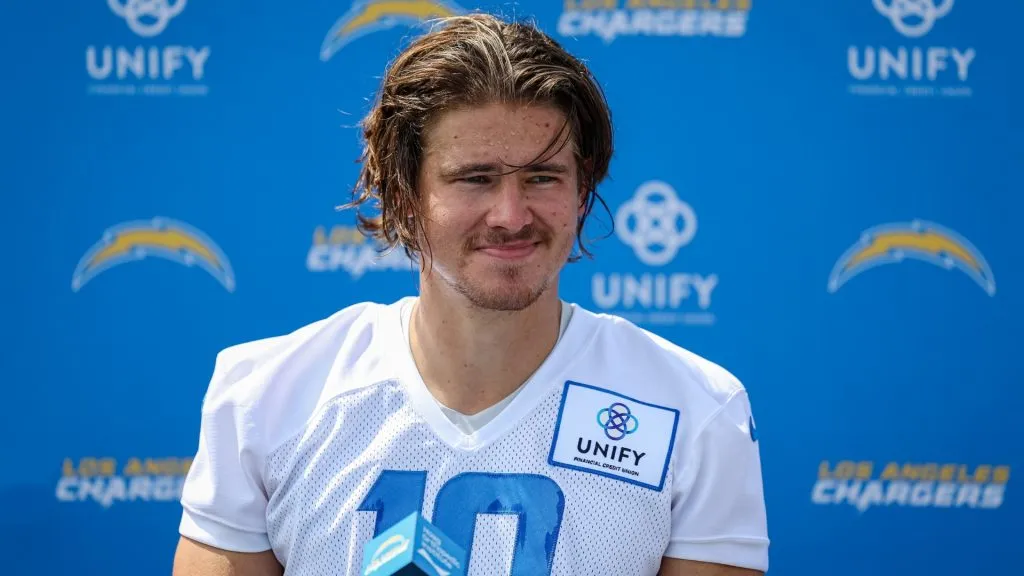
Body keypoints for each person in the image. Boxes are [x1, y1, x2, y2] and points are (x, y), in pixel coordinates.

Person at [171, 12, 769, 576]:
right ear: (403, 195)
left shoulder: (695, 412)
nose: (511, 215)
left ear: (582, 193)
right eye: (475, 178)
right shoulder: (266, 398)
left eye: (542, 176)